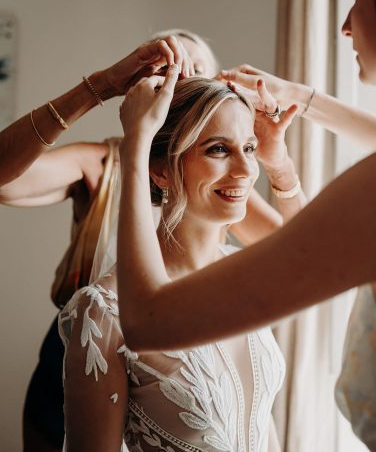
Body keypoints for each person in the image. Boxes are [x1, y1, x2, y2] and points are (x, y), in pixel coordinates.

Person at [114, 0, 376, 452]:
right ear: (171, 167)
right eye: (221, 149)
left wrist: (135, 144)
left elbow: (145, 321)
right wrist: (303, 101)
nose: (346, 27)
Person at [0, 30, 288, 452]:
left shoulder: (228, 181)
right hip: (93, 346)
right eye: (167, 71)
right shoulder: (107, 161)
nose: (180, 83)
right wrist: (98, 87)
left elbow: (295, 249)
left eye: (194, 73)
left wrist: (277, 160)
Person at [58, 75, 308, 452]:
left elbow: (310, 256)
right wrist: (135, 144)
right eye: (219, 149)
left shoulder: (247, 276)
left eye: (250, 147)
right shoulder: (104, 313)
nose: (245, 169)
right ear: (159, 170)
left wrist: (281, 164)